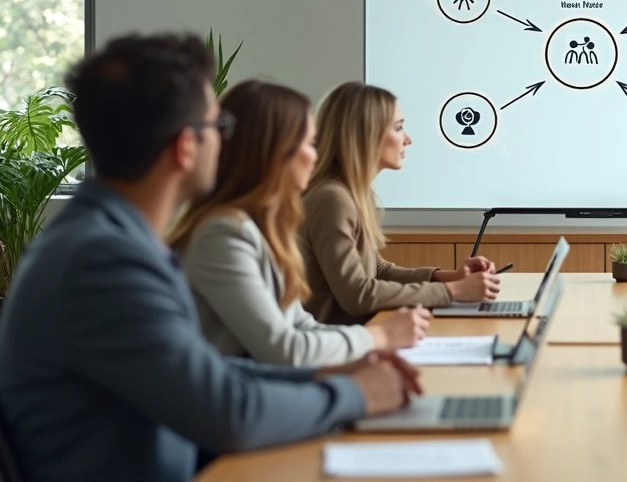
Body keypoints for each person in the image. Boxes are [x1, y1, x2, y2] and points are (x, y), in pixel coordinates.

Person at [0, 34, 421, 481]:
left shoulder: (106, 238)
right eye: (219, 128)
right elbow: (228, 414)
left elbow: (207, 370)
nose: (229, 143)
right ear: (185, 147)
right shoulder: (103, 262)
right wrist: (355, 394)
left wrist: (320, 380)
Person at [169, 80, 431, 367]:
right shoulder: (221, 236)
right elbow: (285, 349)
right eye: (307, 143)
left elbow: (300, 324)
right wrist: (379, 338)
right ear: (273, 152)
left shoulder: (262, 227)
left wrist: (372, 348)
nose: (315, 155)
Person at [301, 81, 500, 325]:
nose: (408, 139)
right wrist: (453, 292)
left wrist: (450, 278)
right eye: (398, 128)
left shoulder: (349, 193)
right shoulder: (332, 199)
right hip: (333, 347)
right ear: (367, 134)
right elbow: (357, 295)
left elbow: (378, 271)